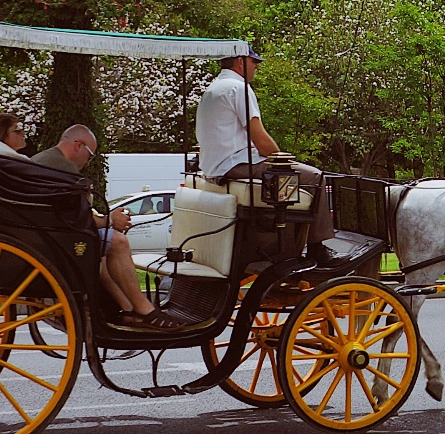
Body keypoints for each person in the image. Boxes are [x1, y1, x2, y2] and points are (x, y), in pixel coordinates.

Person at [32, 124, 186, 330]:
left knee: (102, 250)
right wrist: (111, 220)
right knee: (116, 240)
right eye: (90, 156)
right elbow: (80, 219)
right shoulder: (65, 171)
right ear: (78, 145)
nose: (88, 163)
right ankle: (144, 309)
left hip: (45, 236)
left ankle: (127, 308)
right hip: (58, 243)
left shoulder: (42, 161)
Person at [197, 49, 333, 241]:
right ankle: (317, 245)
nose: (257, 66)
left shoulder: (212, 89)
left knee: (292, 178)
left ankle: (295, 241)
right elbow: (260, 139)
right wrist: (281, 160)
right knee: (316, 178)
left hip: (215, 167)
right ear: (241, 62)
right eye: (254, 62)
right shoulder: (239, 88)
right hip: (236, 164)